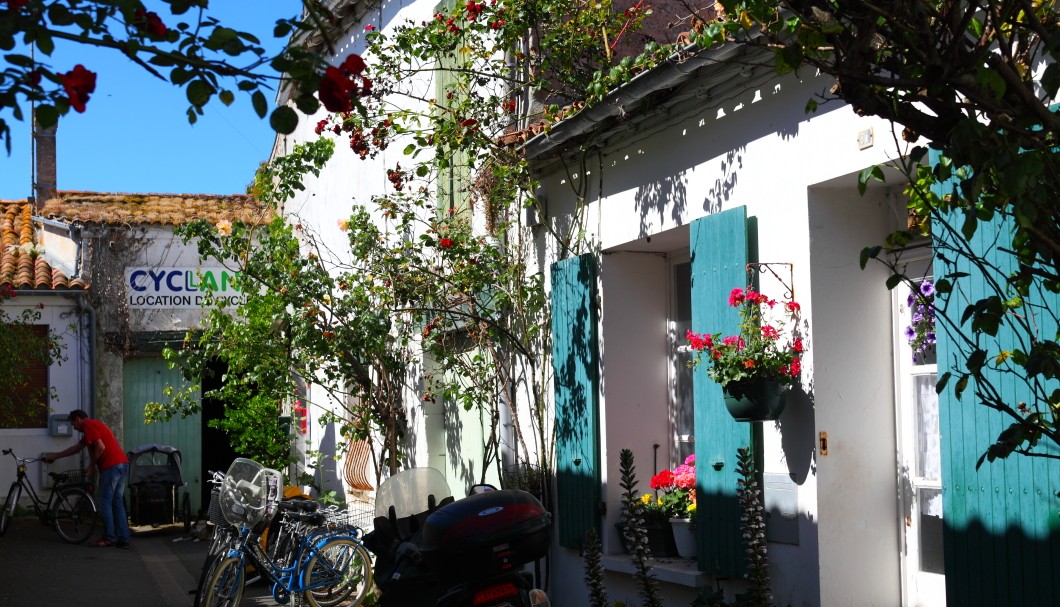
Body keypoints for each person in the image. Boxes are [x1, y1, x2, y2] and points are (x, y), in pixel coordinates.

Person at [43, 409, 131, 548]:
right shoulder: (93, 426)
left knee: (104, 502)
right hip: (122, 464)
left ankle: (109, 537)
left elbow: (100, 447)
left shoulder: (88, 426)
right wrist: (55, 456)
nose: (74, 427)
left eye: (73, 424)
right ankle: (123, 538)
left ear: (78, 419)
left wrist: (91, 465)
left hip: (111, 466)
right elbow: (76, 448)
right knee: (117, 502)